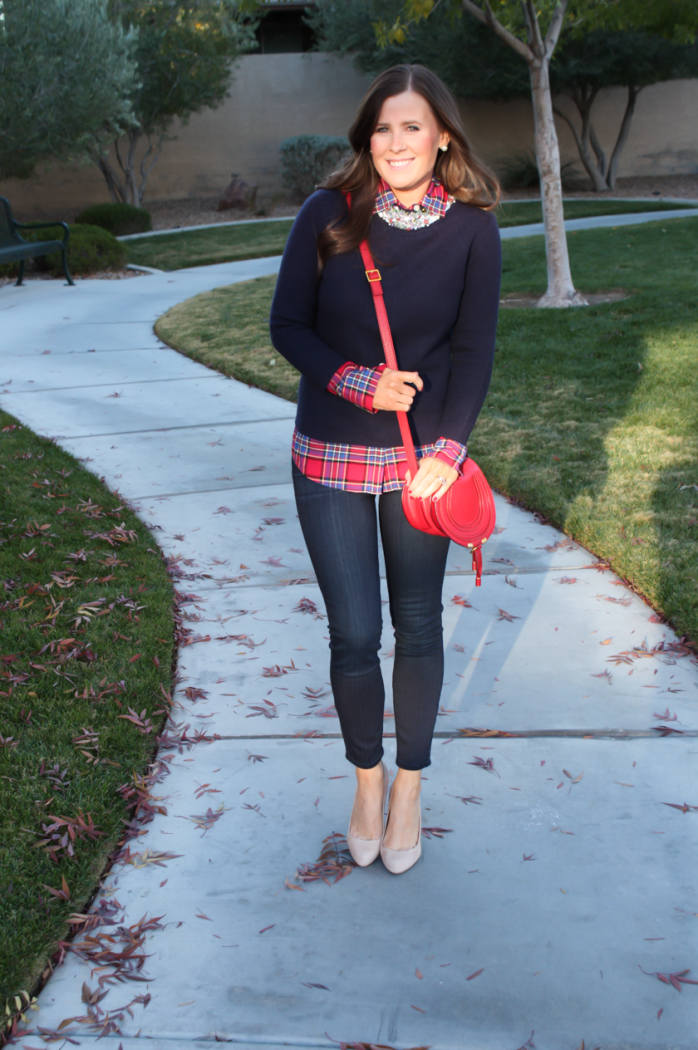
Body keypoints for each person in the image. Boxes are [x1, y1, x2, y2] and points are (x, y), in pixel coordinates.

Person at [270, 64, 501, 875]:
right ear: (366, 138)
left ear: (443, 135)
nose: (396, 143)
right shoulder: (328, 215)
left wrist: (448, 449)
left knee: (418, 623)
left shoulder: (473, 230)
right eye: (383, 128)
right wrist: (358, 382)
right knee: (356, 634)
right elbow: (288, 325)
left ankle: (410, 787)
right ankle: (366, 781)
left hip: (421, 467)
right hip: (330, 450)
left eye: (413, 127)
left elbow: (473, 349)